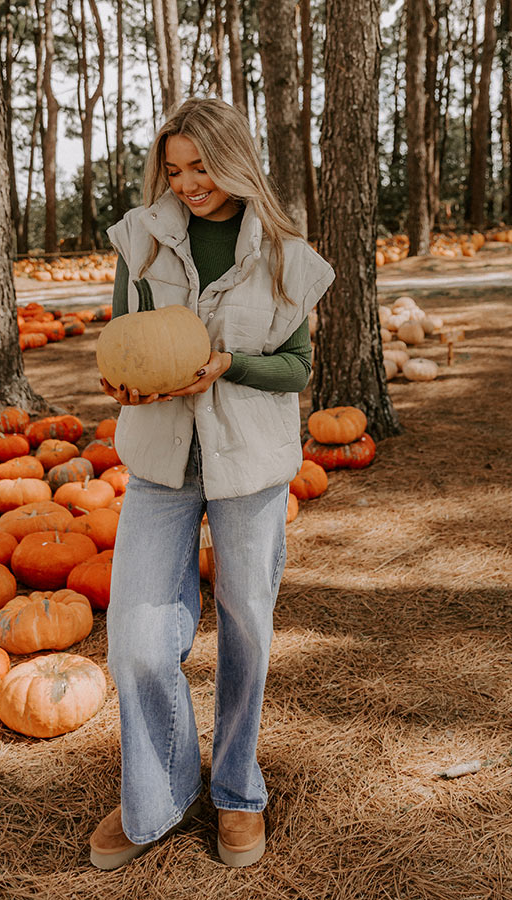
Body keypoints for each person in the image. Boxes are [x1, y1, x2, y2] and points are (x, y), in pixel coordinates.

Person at [90, 97, 334, 870]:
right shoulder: (141, 238)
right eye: (175, 169)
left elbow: (297, 365)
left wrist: (232, 365)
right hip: (161, 462)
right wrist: (126, 386)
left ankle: (236, 790)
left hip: (249, 463)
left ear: (234, 160)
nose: (189, 184)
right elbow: (129, 340)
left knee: (247, 632)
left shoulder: (286, 252)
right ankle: (154, 797)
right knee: (134, 638)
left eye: (201, 167)